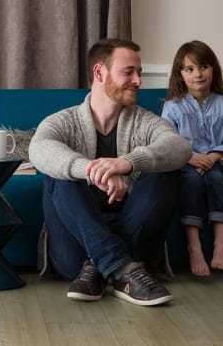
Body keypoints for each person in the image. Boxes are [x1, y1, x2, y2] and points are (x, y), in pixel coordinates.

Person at [29, 38, 192, 306]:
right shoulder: (63, 121)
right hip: (76, 252)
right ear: (99, 72)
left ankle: (107, 265)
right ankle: (123, 269)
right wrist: (90, 170)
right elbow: (39, 149)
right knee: (59, 174)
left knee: (163, 171)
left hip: (133, 241)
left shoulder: (144, 121)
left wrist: (126, 163)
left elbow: (180, 147)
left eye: (139, 72)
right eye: (128, 72)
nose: (138, 80)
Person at [161, 40, 223, 276]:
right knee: (192, 181)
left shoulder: (222, 102)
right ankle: (194, 246)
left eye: (203, 67)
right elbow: (167, 140)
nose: (198, 74)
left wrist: (214, 156)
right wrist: (191, 157)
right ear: (181, 74)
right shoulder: (172, 106)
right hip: (186, 163)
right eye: (190, 69)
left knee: (216, 179)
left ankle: (220, 244)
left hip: (217, 161)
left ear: (213, 68)